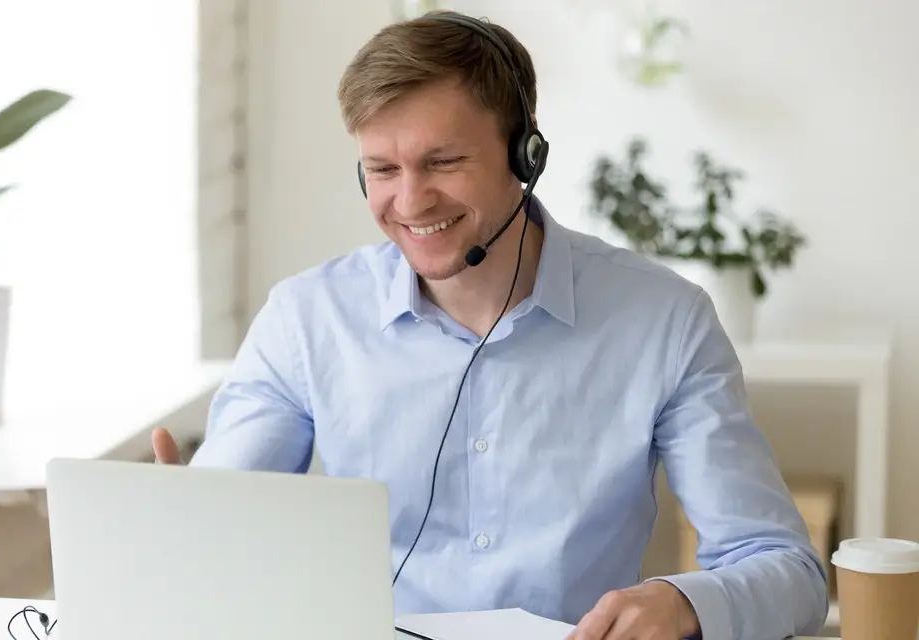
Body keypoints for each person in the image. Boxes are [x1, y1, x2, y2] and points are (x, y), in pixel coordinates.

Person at [153, 10, 828, 640]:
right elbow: (219, 524)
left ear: (525, 152)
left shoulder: (663, 320)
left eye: (444, 162)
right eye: (382, 170)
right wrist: (170, 524)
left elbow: (787, 570)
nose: (411, 201)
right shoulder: (306, 320)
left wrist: (685, 603)